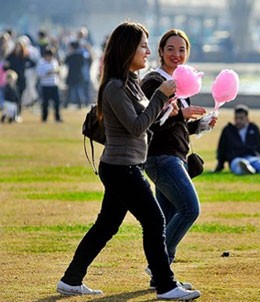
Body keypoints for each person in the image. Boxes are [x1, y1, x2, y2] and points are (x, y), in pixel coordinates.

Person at [56, 22, 201, 301]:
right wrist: (160, 97)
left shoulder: (132, 82)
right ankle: (166, 285)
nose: (148, 51)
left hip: (128, 164)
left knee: (107, 225)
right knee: (155, 220)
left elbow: (147, 125)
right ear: (127, 49)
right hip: (121, 168)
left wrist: (166, 109)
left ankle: (71, 280)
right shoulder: (114, 87)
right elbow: (136, 127)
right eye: (143, 46)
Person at [140, 29, 216, 289]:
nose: (176, 54)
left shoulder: (183, 84)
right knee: (190, 209)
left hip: (177, 156)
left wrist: (202, 124)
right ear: (160, 51)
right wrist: (180, 116)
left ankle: (161, 277)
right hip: (161, 157)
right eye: (170, 48)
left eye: (182, 50)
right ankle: (158, 265)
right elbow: (148, 124)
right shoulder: (153, 82)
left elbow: (178, 127)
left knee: (164, 218)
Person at [214, 104, 260, 175]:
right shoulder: (228, 130)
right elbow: (221, 148)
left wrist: (257, 155)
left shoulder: (254, 128)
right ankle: (247, 170)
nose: (238, 121)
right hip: (235, 158)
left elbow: (259, 145)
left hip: (252, 156)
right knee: (240, 164)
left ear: (247, 118)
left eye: (241, 118)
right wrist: (220, 165)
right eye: (236, 118)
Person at [36, 47, 62, 122]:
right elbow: (39, 73)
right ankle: (44, 117)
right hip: (45, 85)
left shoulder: (54, 62)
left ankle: (57, 117)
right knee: (45, 103)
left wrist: (58, 73)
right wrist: (48, 72)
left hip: (54, 84)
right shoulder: (41, 62)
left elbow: (57, 71)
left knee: (57, 102)